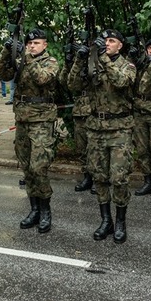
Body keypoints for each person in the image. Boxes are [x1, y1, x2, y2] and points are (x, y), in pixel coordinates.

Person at [70, 30, 136, 243]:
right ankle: (105, 219)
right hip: (96, 129)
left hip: (119, 129)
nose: (107, 44)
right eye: (105, 41)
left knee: (118, 178)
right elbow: (73, 85)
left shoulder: (128, 66)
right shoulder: (93, 64)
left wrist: (103, 58)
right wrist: (81, 59)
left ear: (120, 46)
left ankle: (120, 221)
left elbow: (120, 81)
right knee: (99, 177)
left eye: (111, 41)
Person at [0, 28, 59, 233]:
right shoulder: (21, 61)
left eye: (36, 43)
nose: (32, 46)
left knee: (39, 167)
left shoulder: (51, 62)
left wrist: (26, 58)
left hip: (41, 121)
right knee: (27, 167)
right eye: (29, 44)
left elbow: (42, 79)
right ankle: (34, 209)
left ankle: (46, 210)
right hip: (22, 120)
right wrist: (7, 51)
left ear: (45, 45)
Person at [61, 40, 95, 193]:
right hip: (81, 110)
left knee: (96, 148)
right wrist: (72, 61)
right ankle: (87, 176)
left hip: (95, 109)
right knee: (82, 147)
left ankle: (99, 179)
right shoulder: (79, 60)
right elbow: (69, 83)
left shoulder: (99, 59)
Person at [133, 39, 151, 199]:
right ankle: (148, 180)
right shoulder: (141, 65)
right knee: (142, 149)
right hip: (139, 109)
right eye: (149, 48)